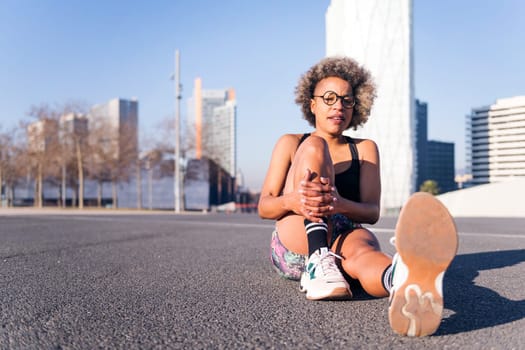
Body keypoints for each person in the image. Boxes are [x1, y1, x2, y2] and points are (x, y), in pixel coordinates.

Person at [258, 56, 458, 337]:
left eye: (347, 100)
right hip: (296, 239)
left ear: (355, 106)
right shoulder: (292, 143)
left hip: (344, 230)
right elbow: (265, 206)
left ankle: (401, 282)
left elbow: (371, 212)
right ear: (312, 104)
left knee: (365, 254)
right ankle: (318, 260)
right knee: (316, 146)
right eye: (329, 98)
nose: (338, 105)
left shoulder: (364, 149)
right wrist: (293, 200)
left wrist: (338, 203)